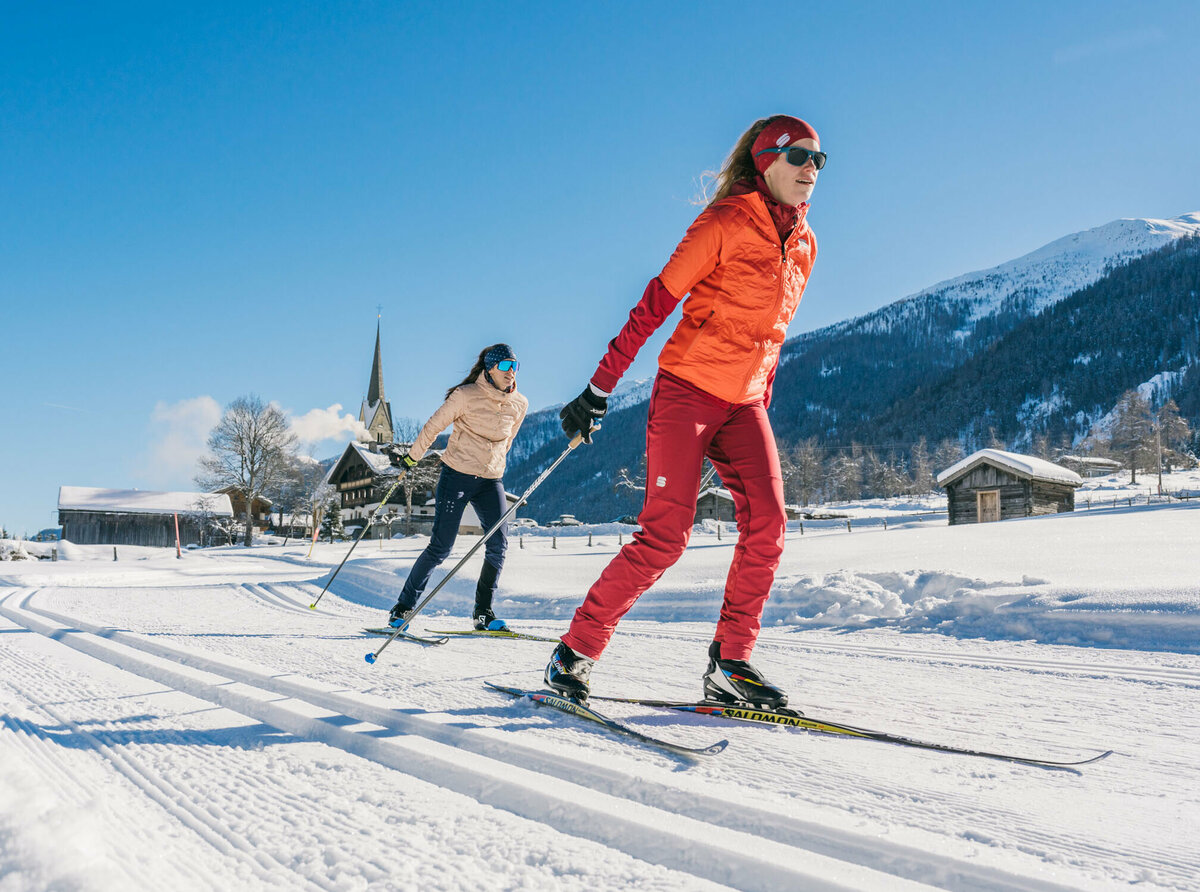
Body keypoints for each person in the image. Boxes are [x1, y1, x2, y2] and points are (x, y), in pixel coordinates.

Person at [546, 115, 825, 706]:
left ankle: (731, 664)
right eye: (799, 156)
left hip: (745, 402)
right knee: (666, 537)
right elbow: (654, 306)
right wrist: (599, 388)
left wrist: (760, 401)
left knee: (770, 525)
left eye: (819, 161)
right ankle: (574, 652)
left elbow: (771, 336)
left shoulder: (806, 246)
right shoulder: (723, 223)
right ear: (766, 160)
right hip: (688, 392)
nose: (811, 170)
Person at [384, 344, 529, 631]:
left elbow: (508, 440)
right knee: (441, 547)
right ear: (489, 368)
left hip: (490, 481)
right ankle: (402, 608)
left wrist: (496, 466)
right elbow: (433, 427)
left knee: (498, 545)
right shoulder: (465, 396)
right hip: (457, 476)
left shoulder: (520, 403)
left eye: (515, 366)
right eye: (505, 366)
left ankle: (483, 612)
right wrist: (412, 457)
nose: (511, 372)